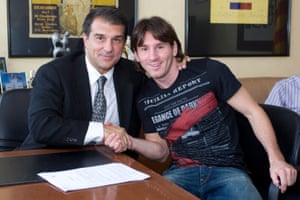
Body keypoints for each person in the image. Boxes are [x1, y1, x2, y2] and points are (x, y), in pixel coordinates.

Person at [106, 16, 297, 199]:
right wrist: (130, 141)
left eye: (160, 47)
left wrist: (276, 159)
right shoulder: (144, 98)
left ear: (174, 48)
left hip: (228, 172)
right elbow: (161, 151)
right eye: (144, 49)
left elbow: (253, 112)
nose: (153, 56)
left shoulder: (209, 70)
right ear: (137, 56)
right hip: (180, 175)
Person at [19, 7, 145, 156]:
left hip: (111, 164)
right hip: (50, 159)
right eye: (100, 38)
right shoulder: (54, 73)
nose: (108, 48)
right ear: (85, 40)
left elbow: (161, 89)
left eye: (116, 40)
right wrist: (101, 131)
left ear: (124, 43)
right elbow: (42, 126)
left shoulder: (134, 75)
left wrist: (177, 67)